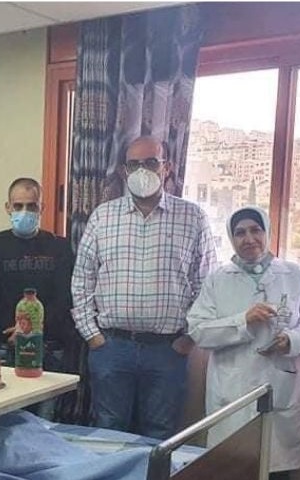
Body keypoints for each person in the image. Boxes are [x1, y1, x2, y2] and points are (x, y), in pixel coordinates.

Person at [184, 207, 300, 480]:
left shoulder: (296, 275)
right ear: (231, 238)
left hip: (280, 383)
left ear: (267, 232)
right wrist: (241, 320)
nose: (248, 239)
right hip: (233, 387)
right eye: (239, 232)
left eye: (255, 230)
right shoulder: (218, 279)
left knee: (277, 471)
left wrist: (292, 339)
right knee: (231, 468)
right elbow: (198, 330)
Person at [69, 136, 216, 440]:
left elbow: (207, 283)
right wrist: (92, 335)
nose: (141, 170)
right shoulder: (103, 216)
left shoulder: (192, 217)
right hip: (112, 347)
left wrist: (188, 339)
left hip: (168, 350)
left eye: (150, 162)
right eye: (134, 164)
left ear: (167, 168)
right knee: (108, 431)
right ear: (124, 171)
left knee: (161, 435)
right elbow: (82, 279)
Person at [0, 178, 78, 414]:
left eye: (32, 206)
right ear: (8, 207)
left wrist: (32, 329)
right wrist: (14, 329)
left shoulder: (60, 247)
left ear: (41, 208)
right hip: (5, 346)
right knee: (5, 419)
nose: (24, 211)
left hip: (49, 349)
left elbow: (66, 296)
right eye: (18, 206)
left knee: (47, 421)